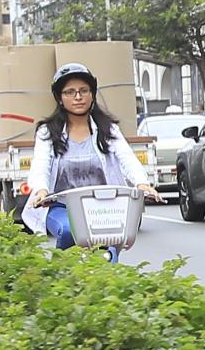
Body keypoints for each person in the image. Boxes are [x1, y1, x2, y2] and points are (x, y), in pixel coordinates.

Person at [25, 62, 155, 248]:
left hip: (103, 208)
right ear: (59, 98)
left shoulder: (108, 130)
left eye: (83, 91)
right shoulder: (47, 132)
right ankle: (64, 266)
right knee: (69, 231)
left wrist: (142, 184)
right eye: (70, 92)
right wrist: (41, 190)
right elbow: (41, 165)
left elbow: (127, 159)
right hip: (61, 207)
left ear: (92, 94)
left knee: (110, 247)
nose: (78, 97)